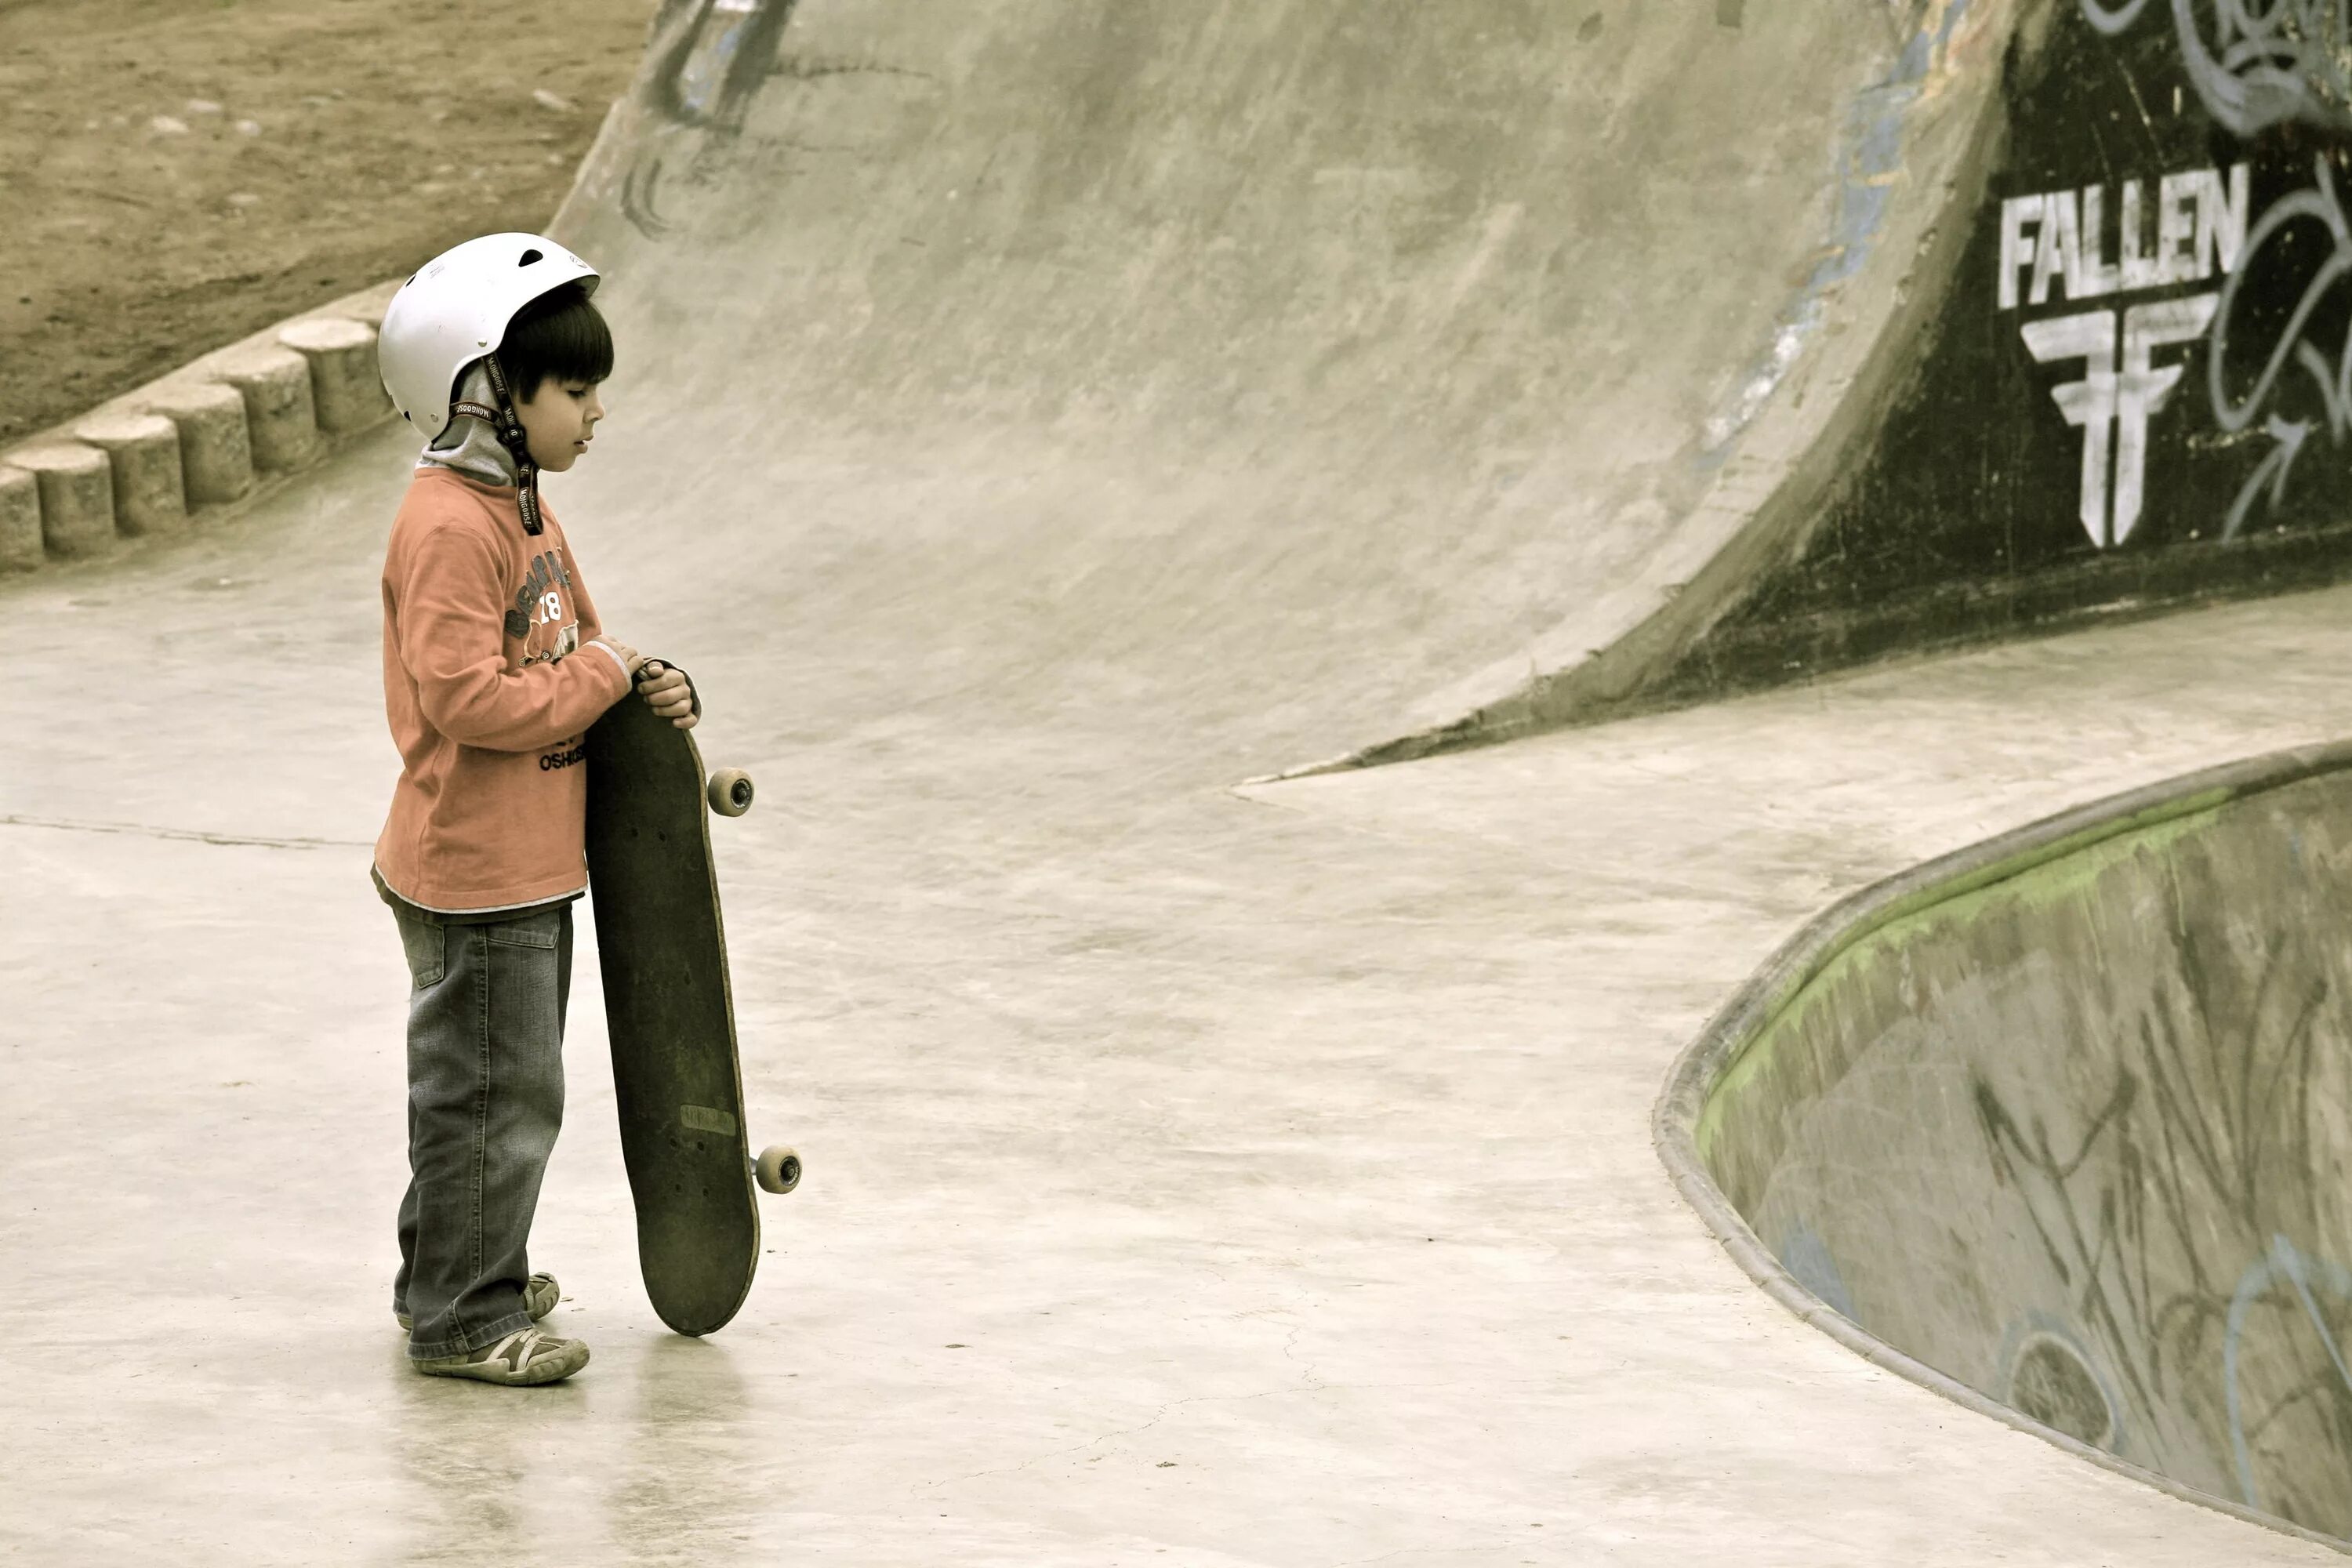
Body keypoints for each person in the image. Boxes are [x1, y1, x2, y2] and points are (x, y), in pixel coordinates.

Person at [372, 232, 696, 1385]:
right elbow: (469, 699)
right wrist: (598, 678)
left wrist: (639, 682)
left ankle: (453, 1269)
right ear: (487, 392)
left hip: (527, 861)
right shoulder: (452, 527)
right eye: (574, 389)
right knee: (497, 1102)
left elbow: (580, 648)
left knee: (496, 1090)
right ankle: (466, 1314)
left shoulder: (522, 508)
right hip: (480, 869)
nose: (595, 410)